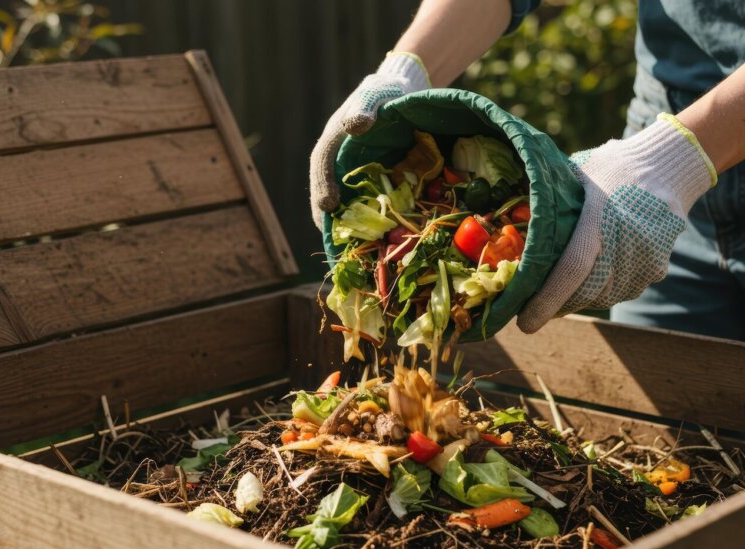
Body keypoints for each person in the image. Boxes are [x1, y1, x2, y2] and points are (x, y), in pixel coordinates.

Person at [309, 0, 745, 341]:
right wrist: (408, 69)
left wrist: (675, 159)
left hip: (657, 175)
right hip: (659, 205)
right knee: (667, 434)